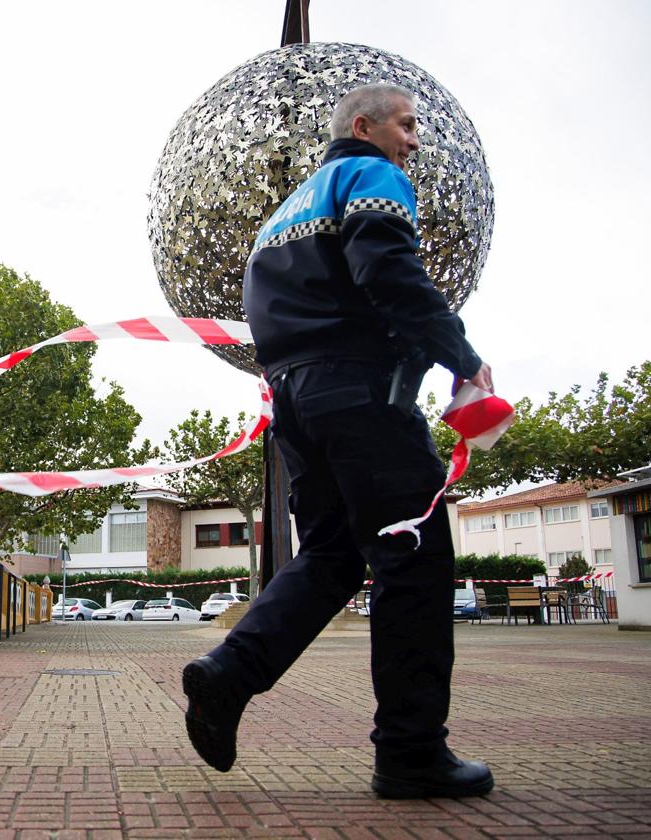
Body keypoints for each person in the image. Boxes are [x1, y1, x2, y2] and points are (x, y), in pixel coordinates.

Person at [181, 83, 495, 799]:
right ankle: (412, 754)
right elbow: (387, 269)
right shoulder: (372, 175)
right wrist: (460, 357)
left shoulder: (282, 216)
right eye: (406, 125)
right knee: (412, 563)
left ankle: (227, 676)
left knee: (329, 557)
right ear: (364, 125)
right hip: (362, 394)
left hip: (294, 401)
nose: (415, 141)